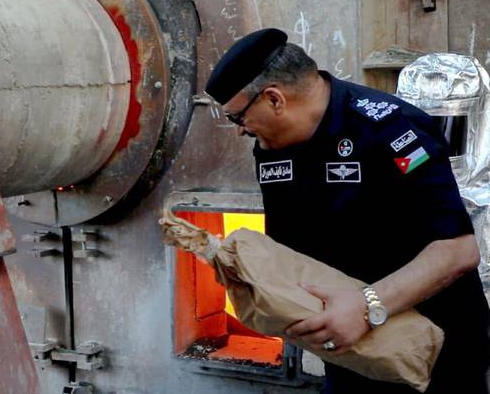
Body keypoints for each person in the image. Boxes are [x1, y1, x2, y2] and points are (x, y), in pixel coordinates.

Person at [204, 28, 490, 393]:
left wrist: (366, 307)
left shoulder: (392, 129)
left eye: (237, 118)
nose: (239, 132)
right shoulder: (272, 147)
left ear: (275, 99)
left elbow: (457, 251)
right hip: (351, 352)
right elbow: (294, 249)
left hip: (432, 352)